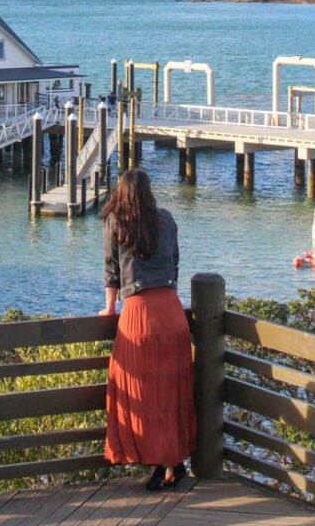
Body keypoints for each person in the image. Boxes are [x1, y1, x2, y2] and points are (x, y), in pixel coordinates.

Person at [100, 169, 195, 491]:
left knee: (140, 394)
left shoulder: (116, 222)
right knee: (170, 393)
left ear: (121, 192)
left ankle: (158, 463)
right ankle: (173, 463)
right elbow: (176, 264)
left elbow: (112, 270)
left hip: (139, 314)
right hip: (171, 311)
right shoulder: (166, 219)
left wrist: (109, 308)